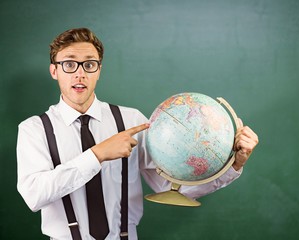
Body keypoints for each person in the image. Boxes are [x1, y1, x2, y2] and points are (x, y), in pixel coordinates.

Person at [17, 28, 259, 240]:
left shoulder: (131, 120)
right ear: (54, 71)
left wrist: (234, 164)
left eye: (89, 64)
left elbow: (172, 188)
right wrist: (97, 154)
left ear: (98, 70)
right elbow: (34, 195)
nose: (80, 74)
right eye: (69, 64)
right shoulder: (34, 129)